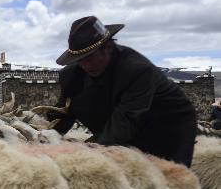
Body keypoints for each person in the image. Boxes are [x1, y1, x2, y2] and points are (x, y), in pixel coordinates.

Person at [50, 16, 197, 166]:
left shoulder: (137, 71)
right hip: (120, 123)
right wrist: (44, 139)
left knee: (168, 180)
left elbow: (125, 122)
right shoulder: (70, 76)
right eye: (80, 59)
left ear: (108, 48)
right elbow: (64, 113)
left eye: (90, 57)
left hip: (167, 127)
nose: (85, 65)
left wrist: (91, 152)